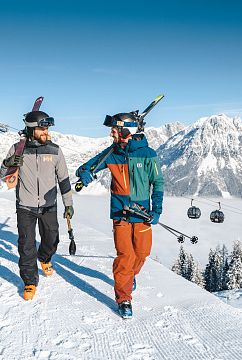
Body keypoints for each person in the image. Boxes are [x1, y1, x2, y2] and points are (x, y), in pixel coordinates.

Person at [75, 112, 164, 318]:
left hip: (142, 214)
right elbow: (86, 167)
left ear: (125, 132)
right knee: (125, 256)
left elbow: (158, 183)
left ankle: (130, 276)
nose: (110, 135)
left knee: (142, 253)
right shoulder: (112, 153)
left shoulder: (148, 154)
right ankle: (124, 298)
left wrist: (156, 209)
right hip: (120, 213)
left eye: (113, 131)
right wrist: (85, 174)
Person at [0, 111, 74, 300]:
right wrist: (9, 163)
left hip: (49, 205)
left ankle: (45, 258)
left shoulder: (55, 150)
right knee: (26, 245)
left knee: (51, 239)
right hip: (25, 206)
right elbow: (4, 174)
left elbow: (64, 180)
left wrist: (68, 204)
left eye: (47, 128)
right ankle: (30, 282)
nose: (46, 132)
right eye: (42, 128)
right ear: (32, 129)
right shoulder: (18, 149)